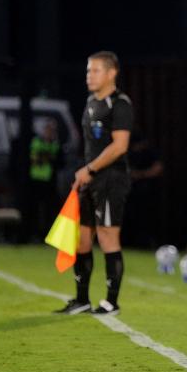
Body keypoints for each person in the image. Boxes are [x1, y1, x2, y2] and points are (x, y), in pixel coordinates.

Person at [55, 51, 133, 316]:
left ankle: (111, 302)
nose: (90, 75)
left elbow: (120, 146)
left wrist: (89, 169)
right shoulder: (90, 103)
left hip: (111, 179)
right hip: (89, 179)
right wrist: (84, 173)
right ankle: (82, 300)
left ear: (112, 73)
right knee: (81, 239)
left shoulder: (120, 104)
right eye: (88, 71)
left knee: (108, 237)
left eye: (96, 70)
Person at [123, 131, 163, 248]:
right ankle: (130, 242)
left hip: (147, 192)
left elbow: (158, 168)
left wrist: (141, 174)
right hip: (131, 192)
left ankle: (146, 243)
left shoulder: (150, 152)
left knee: (146, 219)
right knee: (130, 217)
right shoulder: (129, 153)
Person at [28, 118, 60, 241]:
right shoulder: (37, 142)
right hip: (36, 179)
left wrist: (45, 157)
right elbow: (35, 159)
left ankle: (47, 233)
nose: (49, 132)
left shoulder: (54, 144)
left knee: (49, 210)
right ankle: (35, 233)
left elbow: (56, 160)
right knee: (36, 209)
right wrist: (47, 157)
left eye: (51, 130)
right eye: (47, 129)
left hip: (49, 181)